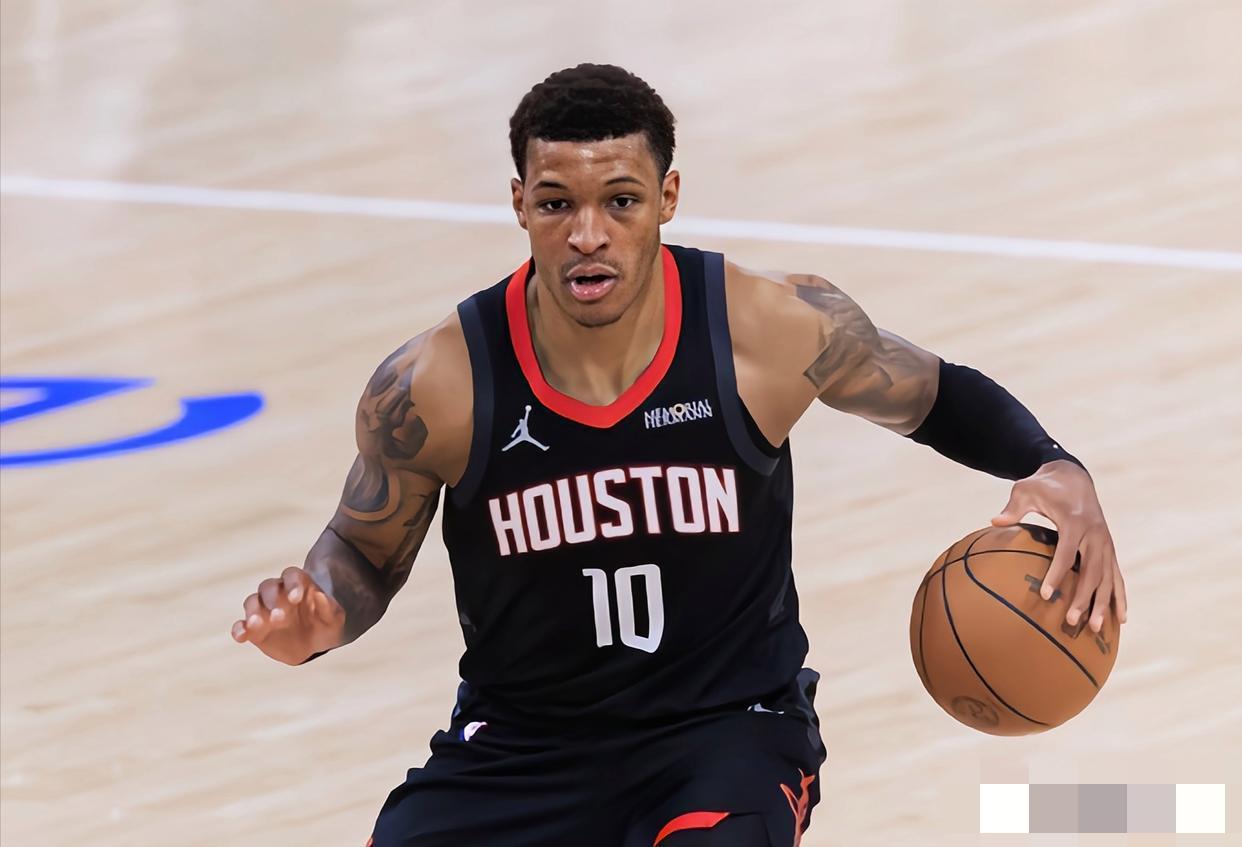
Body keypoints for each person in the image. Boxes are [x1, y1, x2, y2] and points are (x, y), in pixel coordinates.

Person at [231, 63, 1127, 846]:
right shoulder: (436, 382)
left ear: (666, 198)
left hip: (728, 730)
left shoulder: (766, 328)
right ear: (519, 204)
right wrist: (317, 618)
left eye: (620, 201)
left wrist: (1055, 466)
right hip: (523, 746)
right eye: (556, 203)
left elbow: (931, 392)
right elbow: (362, 553)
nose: (588, 234)